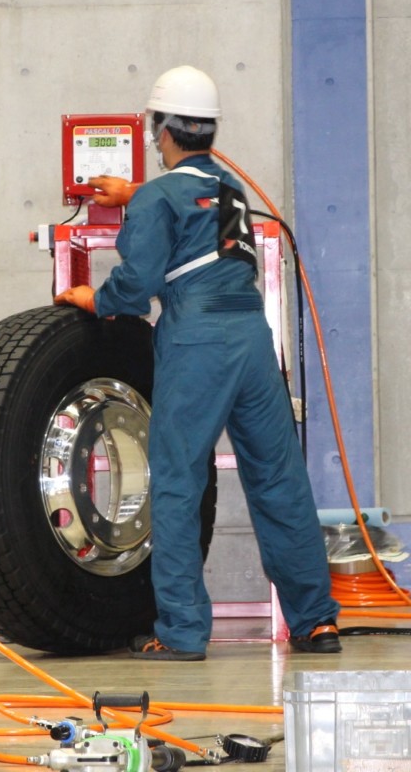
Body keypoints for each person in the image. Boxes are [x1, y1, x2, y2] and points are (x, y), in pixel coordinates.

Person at [55, 65, 340, 660]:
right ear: (208, 131)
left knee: (178, 483)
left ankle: (182, 632)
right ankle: (316, 621)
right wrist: (135, 196)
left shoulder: (160, 197)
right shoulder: (230, 192)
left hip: (198, 342)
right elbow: (201, 220)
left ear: (164, 132)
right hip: (252, 342)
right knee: (280, 480)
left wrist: (92, 297)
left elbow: (134, 290)